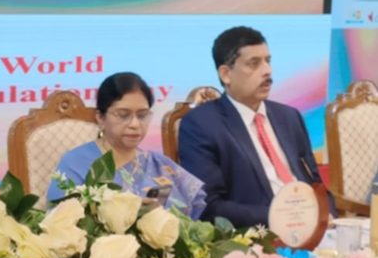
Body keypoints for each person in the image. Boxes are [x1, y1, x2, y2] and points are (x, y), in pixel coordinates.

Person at [177, 26, 332, 228]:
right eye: (254, 63)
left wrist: (328, 213)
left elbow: (314, 182)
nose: (267, 71)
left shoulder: (289, 117)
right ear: (226, 74)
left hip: (313, 228)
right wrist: (281, 217)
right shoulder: (201, 125)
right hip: (260, 234)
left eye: (268, 61)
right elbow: (209, 206)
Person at [46, 72, 207, 219]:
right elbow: (60, 223)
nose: (135, 124)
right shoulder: (76, 163)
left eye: (142, 115)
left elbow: (195, 208)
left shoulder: (158, 164)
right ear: (100, 118)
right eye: (123, 115)